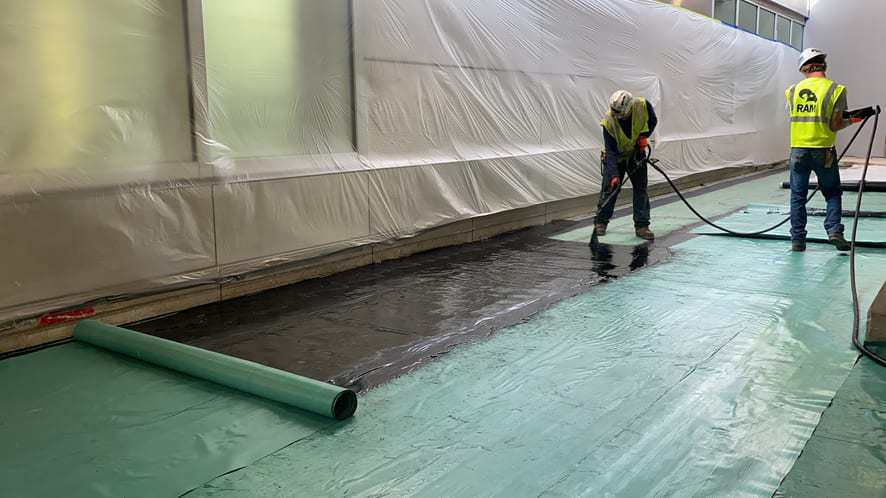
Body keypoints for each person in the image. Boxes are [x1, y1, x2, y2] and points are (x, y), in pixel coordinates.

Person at [786, 48, 860, 252]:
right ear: (823, 66)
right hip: (823, 150)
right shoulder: (836, 90)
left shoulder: (792, 91)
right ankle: (834, 230)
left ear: (803, 68)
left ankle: (798, 240)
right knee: (832, 193)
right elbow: (835, 124)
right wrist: (854, 118)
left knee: (797, 196)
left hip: (798, 150)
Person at [594, 90, 658, 240]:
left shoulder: (642, 105)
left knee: (640, 189)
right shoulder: (609, 121)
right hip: (616, 157)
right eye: (614, 112)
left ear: (629, 108)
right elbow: (610, 151)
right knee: (610, 189)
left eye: (619, 113)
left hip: (636, 152)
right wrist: (614, 175)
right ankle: (600, 222)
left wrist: (643, 137)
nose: (616, 116)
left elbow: (653, 120)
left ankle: (642, 226)